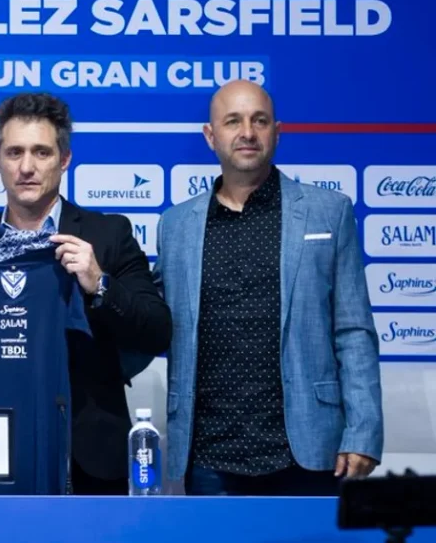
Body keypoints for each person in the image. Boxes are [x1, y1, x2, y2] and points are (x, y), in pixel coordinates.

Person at [153, 80, 383, 496]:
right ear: (210, 136)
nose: (247, 132)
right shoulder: (175, 225)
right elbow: (148, 318)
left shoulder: (329, 212)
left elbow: (354, 331)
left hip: (309, 450)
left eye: (259, 121)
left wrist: (363, 431)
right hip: (209, 454)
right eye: (232, 121)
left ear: (277, 132)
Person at [0, 92, 173, 494]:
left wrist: (100, 282)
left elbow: (157, 332)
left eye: (42, 152)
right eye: (14, 152)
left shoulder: (109, 235)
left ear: (65, 158)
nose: (27, 167)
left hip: (93, 457)